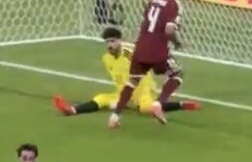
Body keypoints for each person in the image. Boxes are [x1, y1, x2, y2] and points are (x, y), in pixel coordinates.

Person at [53, 26, 200, 118]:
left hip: (143, 90)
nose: (110, 45)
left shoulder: (130, 53)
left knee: (146, 108)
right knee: (102, 98)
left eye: (113, 41)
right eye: (107, 42)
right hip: (125, 94)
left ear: (120, 41)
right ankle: (72, 110)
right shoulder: (106, 59)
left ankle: (181, 105)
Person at [109, 0, 187, 129]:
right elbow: (169, 30)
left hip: (141, 47)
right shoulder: (175, 4)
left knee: (132, 81)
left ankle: (114, 117)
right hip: (158, 50)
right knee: (177, 74)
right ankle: (159, 103)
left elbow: (146, 21)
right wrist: (178, 42)